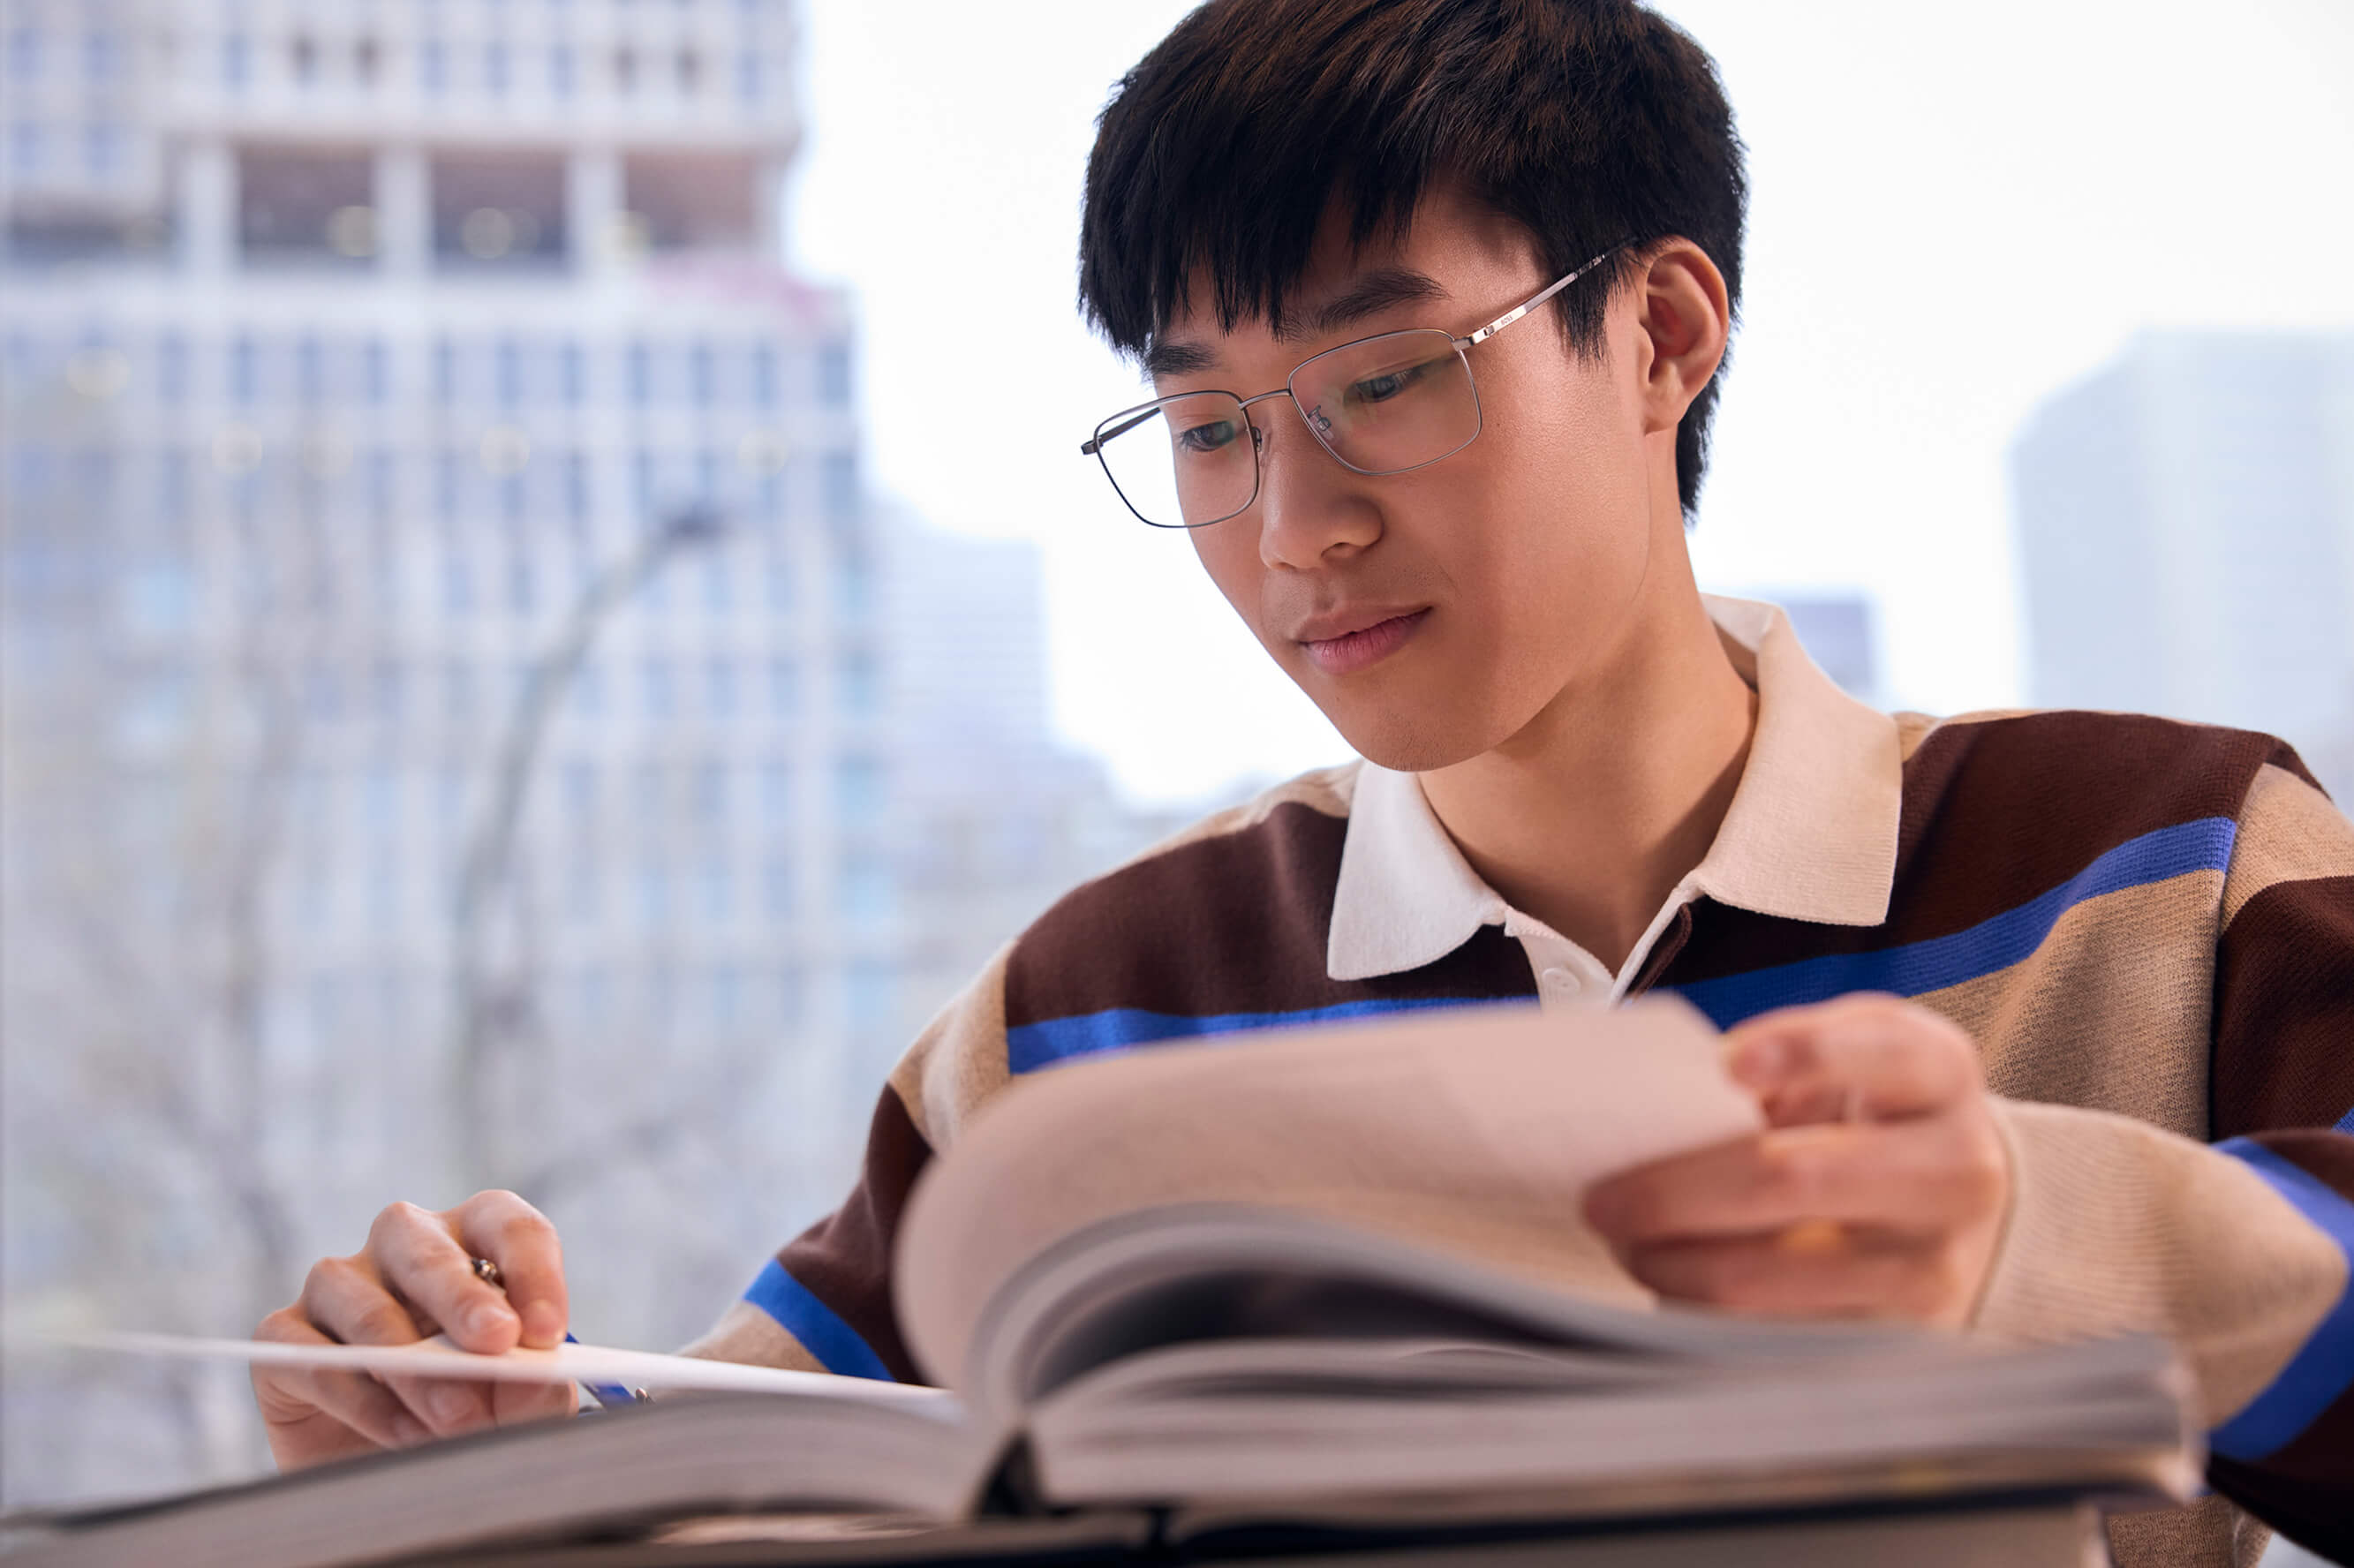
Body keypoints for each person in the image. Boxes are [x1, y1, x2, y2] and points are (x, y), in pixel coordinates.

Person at [252, 2, 2354, 1562]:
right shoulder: (1095, 1011)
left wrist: (2030, 1227)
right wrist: (457, 1437)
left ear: (1660, 334)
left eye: (1384, 381)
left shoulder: (2159, 866)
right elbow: (738, 1476)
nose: (1294, 526)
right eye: (1209, 427)